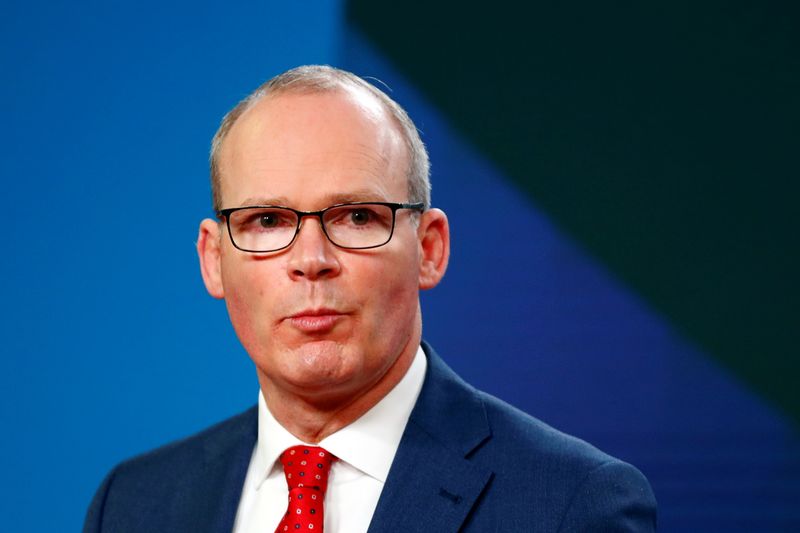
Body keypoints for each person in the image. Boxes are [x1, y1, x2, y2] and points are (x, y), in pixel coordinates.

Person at [84, 65, 657, 532]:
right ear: (213, 260)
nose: (311, 258)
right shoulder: (134, 506)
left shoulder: (573, 506)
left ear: (429, 248)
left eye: (357, 216)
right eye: (267, 220)